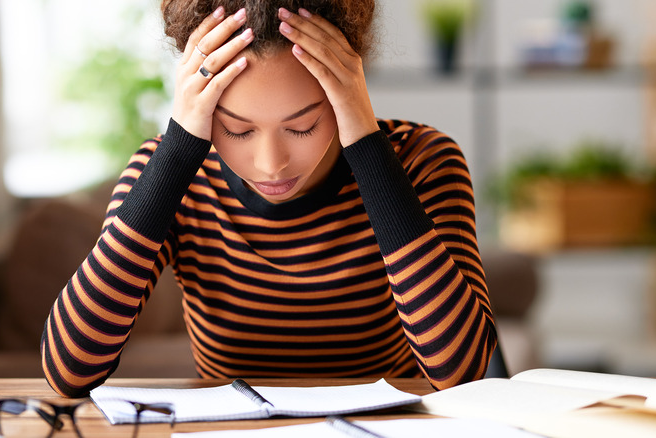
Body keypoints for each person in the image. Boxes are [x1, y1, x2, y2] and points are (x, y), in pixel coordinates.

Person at [41, 0, 496, 398]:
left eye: (302, 126)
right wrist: (178, 149)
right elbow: (69, 371)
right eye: (238, 129)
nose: (271, 163)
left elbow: (463, 374)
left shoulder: (423, 162)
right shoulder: (169, 175)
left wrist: (365, 140)